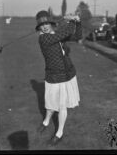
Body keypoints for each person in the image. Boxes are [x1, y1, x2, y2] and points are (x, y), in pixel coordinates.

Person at [35, 10, 82, 146]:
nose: (45, 27)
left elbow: (77, 35)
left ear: (51, 23)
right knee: (50, 105)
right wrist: (71, 20)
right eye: (42, 25)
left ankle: (59, 133)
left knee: (62, 106)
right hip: (53, 76)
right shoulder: (43, 39)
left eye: (47, 23)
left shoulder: (56, 35)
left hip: (67, 75)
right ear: (39, 27)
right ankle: (46, 121)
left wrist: (77, 22)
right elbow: (65, 33)